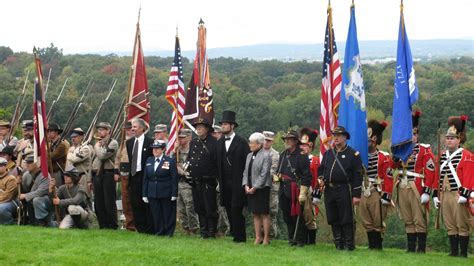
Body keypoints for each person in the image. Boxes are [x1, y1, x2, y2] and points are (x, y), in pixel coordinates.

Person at [393, 111, 436, 253]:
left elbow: (430, 171)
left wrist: (427, 191)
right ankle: (411, 248)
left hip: (416, 186)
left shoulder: (424, 150)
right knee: (408, 218)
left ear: (417, 135)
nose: (412, 136)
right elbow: (393, 166)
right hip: (402, 184)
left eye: (414, 134)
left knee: (419, 218)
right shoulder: (400, 150)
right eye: (409, 133)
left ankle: (421, 248)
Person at [317, 126, 363, 251]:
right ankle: (338, 243)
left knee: (346, 218)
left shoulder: (353, 154)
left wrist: (356, 195)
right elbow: (321, 169)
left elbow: (358, 176)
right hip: (329, 189)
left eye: (338, 135)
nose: (335, 138)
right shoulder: (328, 154)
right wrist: (320, 178)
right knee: (333, 217)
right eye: (334, 135)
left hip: (344, 189)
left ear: (345, 137)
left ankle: (349, 244)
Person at [434, 116, 473, 258]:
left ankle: (463, 253)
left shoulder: (466, 155)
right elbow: (437, 176)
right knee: (450, 224)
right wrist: (435, 195)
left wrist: (465, 194)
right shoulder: (442, 156)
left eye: (452, 138)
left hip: (458, 194)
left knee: (461, 224)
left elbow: (469, 176)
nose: (448, 140)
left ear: (459, 139)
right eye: (447, 138)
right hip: (444, 194)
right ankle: (454, 251)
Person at [216, 111, 250, 243]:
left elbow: (247, 163)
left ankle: (240, 237)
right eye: (222, 124)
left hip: (238, 181)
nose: (223, 126)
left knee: (237, 209)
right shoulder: (219, 143)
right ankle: (234, 234)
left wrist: (246, 182)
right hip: (224, 181)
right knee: (228, 208)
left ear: (232, 126)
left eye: (225, 124)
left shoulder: (241, 142)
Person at [359, 120, 393, 250]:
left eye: (369, 141)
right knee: (366, 219)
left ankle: (378, 245)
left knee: (377, 219)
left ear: (375, 140)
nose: (367, 143)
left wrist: (387, 195)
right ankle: (371, 245)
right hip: (363, 189)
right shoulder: (360, 156)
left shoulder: (383, 157)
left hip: (376, 190)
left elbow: (388, 177)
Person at [276, 129, 312, 247]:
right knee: (286, 215)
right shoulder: (283, 154)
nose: (287, 141)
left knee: (297, 215)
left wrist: (303, 192)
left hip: (295, 188)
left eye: (289, 139)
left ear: (296, 141)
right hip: (283, 188)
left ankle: (301, 239)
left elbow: (307, 175)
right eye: (286, 139)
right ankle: (291, 238)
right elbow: (279, 170)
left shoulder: (301, 155)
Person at [188, 118, 219, 238]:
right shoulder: (194, 142)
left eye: (201, 127)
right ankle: (203, 231)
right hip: (195, 180)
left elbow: (217, 162)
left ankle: (211, 232)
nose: (198, 129)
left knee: (210, 207)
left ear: (207, 129)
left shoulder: (215, 143)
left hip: (208, 180)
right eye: (197, 127)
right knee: (199, 207)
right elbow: (190, 159)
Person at [142, 140, 178, 236]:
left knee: (168, 214)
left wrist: (174, 193)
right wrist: (144, 194)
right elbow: (145, 178)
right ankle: (159, 231)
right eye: (153, 148)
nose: (155, 150)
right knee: (156, 214)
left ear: (163, 149)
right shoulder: (149, 160)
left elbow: (174, 178)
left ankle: (169, 232)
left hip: (166, 191)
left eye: (157, 148)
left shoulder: (169, 161)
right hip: (152, 192)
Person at [242, 132, 272, 245]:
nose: (250, 145)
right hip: (250, 187)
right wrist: (246, 185)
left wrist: (255, 187)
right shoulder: (249, 155)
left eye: (252, 143)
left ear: (259, 144)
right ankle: (258, 237)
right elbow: (245, 172)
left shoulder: (266, 155)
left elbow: (264, 174)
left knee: (264, 213)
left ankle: (266, 239)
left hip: (262, 188)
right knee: (255, 213)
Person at [126, 118, 154, 234]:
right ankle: (140, 228)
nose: (132, 129)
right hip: (134, 176)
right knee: (135, 202)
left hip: (145, 176)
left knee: (146, 203)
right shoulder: (129, 143)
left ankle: (149, 228)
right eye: (132, 127)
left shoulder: (150, 142)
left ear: (142, 128)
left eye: (135, 127)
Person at [91, 122, 118, 229]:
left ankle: (112, 224)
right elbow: (92, 162)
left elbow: (102, 155)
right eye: (99, 130)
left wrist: (97, 146)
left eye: (102, 129)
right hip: (97, 174)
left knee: (109, 201)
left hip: (108, 174)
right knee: (98, 201)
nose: (100, 132)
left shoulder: (113, 143)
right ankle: (102, 224)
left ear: (108, 131)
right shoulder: (98, 143)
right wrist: (89, 179)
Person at [174, 128, 199, 235]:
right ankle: (186, 229)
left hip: (188, 182)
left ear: (189, 137)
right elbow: (171, 162)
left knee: (190, 206)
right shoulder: (177, 151)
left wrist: (183, 172)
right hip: (178, 182)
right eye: (179, 137)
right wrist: (174, 152)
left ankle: (194, 228)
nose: (180, 139)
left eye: (183, 137)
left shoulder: (193, 150)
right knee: (180, 207)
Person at [298, 128, 320, 245]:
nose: (301, 147)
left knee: (309, 217)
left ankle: (311, 242)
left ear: (310, 146)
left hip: (310, 192)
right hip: (298, 190)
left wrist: (317, 195)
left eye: (304, 145)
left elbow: (318, 179)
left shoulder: (315, 160)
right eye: (300, 145)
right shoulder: (297, 158)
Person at [114, 121, 135, 231]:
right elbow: (118, 158)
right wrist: (116, 172)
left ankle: (136, 223)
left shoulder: (137, 142)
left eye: (131, 129)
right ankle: (129, 224)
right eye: (126, 129)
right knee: (125, 200)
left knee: (134, 199)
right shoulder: (123, 143)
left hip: (134, 174)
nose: (128, 131)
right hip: (123, 174)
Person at [18, 155, 49, 226]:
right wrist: (19, 184)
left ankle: (42, 221)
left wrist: (26, 196)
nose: (27, 164)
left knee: (36, 200)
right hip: (32, 200)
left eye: (30, 162)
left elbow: (41, 192)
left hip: (46, 200)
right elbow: (24, 190)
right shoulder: (26, 175)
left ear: (37, 163)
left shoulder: (45, 175)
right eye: (26, 162)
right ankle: (30, 221)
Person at [66, 128, 93, 200]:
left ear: (81, 137)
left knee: (85, 198)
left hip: (83, 177)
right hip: (73, 178)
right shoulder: (72, 149)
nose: (73, 139)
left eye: (75, 137)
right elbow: (68, 165)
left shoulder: (86, 148)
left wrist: (69, 154)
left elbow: (75, 159)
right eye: (72, 137)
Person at [262, 131, 280, 238]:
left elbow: (272, 171)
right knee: (260, 211)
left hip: (271, 187)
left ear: (272, 142)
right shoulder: (258, 152)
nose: (266, 143)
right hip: (259, 187)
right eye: (264, 140)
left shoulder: (275, 155)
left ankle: (271, 234)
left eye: (268, 141)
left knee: (271, 212)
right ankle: (260, 234)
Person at [213, 125, 230, 236]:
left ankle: (225, 230)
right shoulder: (214, 147)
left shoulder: (225, 146)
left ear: (220, 134)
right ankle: (217, 230)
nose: (213, 135)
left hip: (224, 182)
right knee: (215, 208)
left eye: (215, 133)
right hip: (213, 182)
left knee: (223, 209)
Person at [0, 157, 18, 225]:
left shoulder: (11, 179)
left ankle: (9, 223)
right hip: (2, 201)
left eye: (1, 165)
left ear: (5, 166)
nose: (0, 167)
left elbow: (8, 196)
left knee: (1, 208)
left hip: (12, 202)